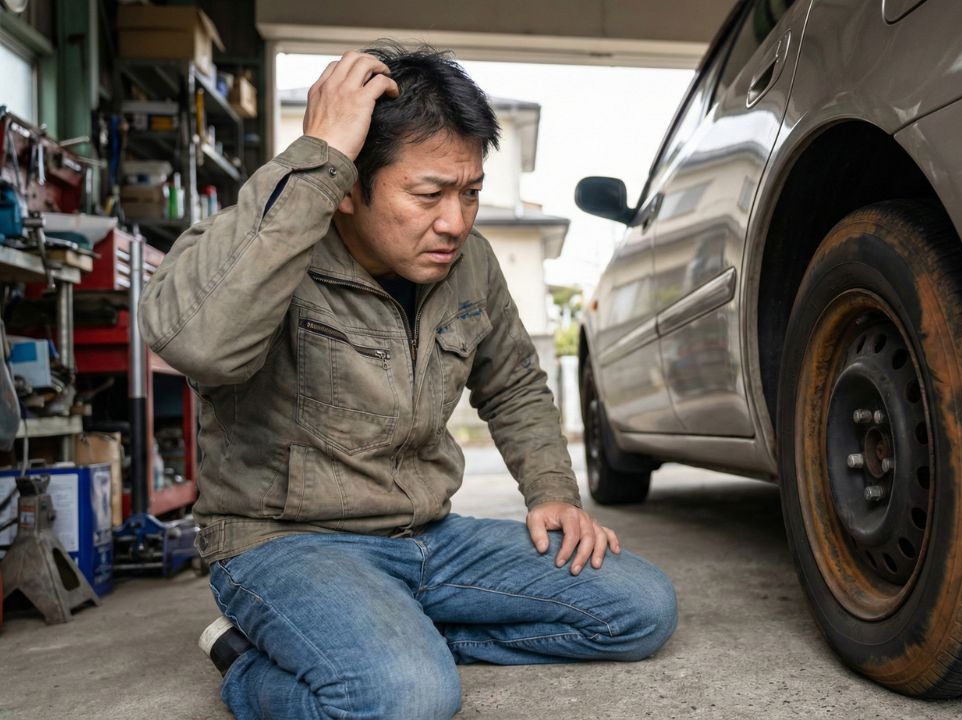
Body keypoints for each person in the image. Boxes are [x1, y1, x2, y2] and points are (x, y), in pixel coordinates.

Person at [139, 44, 678, 719]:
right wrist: (317, 155)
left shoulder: (471, 265)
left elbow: (513, 384)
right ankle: (248, 665)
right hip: (285, 546)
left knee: (639, 607)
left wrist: (551, 493)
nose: (454, 222)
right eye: (428, 194)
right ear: (346, 189)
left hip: (429, 537)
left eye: (471, 192)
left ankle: (399, 637)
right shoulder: (267, 241)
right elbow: (199, 346)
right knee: (406, 699)